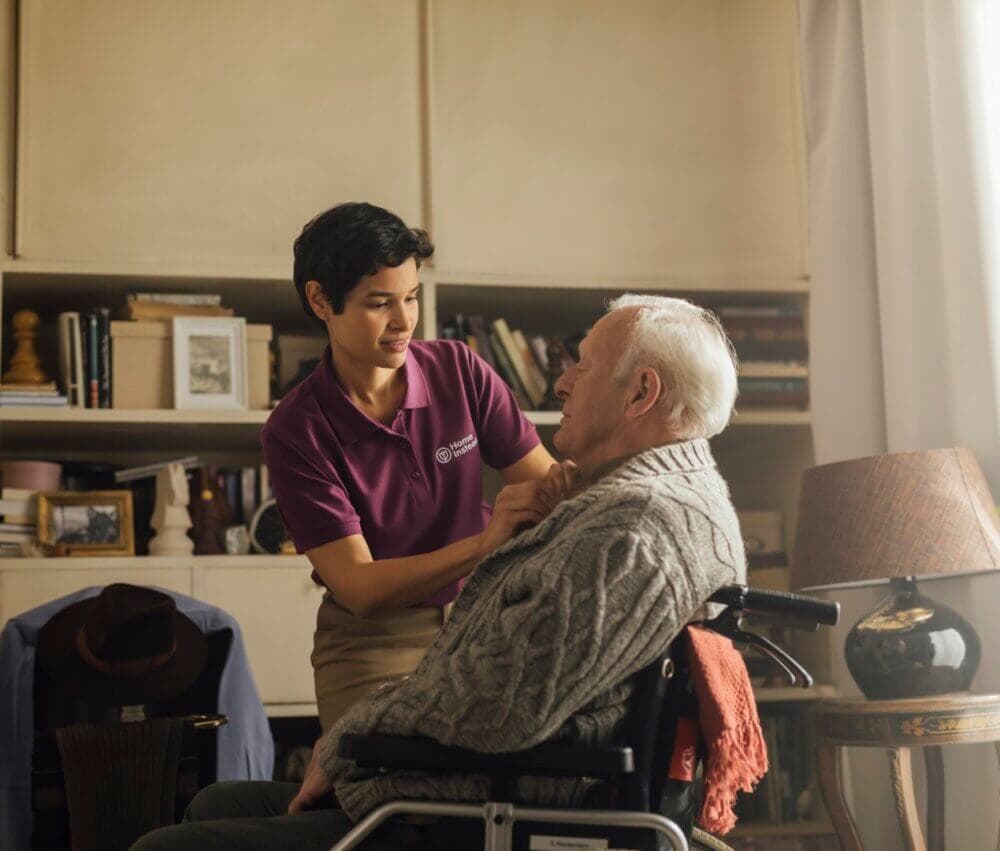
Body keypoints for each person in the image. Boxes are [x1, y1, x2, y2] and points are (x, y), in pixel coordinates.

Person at [132, 294, 747, 851]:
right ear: (324, 304)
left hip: (500, 806)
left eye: (581, 365)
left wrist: (351, 735)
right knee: (217, 802)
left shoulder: (632, 529)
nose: (560, 383)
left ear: (640, 394)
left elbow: (503, 706)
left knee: (166, 845)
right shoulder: (668, 497)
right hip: (502, 766)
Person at [260, 203, 557, 731]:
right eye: (380, 304)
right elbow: (360, 587)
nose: (404, 322)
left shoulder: (459, 370)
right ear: (320, 299)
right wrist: (485, 545)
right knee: (374, 795)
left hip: (487, 616)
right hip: (373, 641)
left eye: (412, 298)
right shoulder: (295, 430)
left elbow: (550, 489)